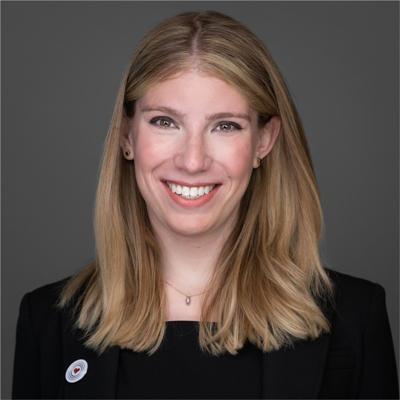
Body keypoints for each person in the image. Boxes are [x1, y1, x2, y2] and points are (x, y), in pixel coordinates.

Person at [12, 10, 399, 400]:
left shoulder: (355, 320)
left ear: (264, 141)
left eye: (225, 126)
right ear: (126, 135)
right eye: (165, 122)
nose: (193, 161)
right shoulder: (47, 323)